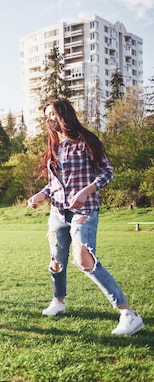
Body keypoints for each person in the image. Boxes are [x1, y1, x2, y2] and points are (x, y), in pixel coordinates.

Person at [27, 97, 143, 336]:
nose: (49, 119)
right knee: (56, 261)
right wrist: (40, 195)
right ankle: (58, 302)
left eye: (53, 114)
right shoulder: (54, 146)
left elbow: (107, 172)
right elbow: (54, 184)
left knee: (84, 260)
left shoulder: (86, 141)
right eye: (46, 115)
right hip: (58, 212)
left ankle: (127, 314)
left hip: (84, 210)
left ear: (66, 115)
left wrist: (86, 190)